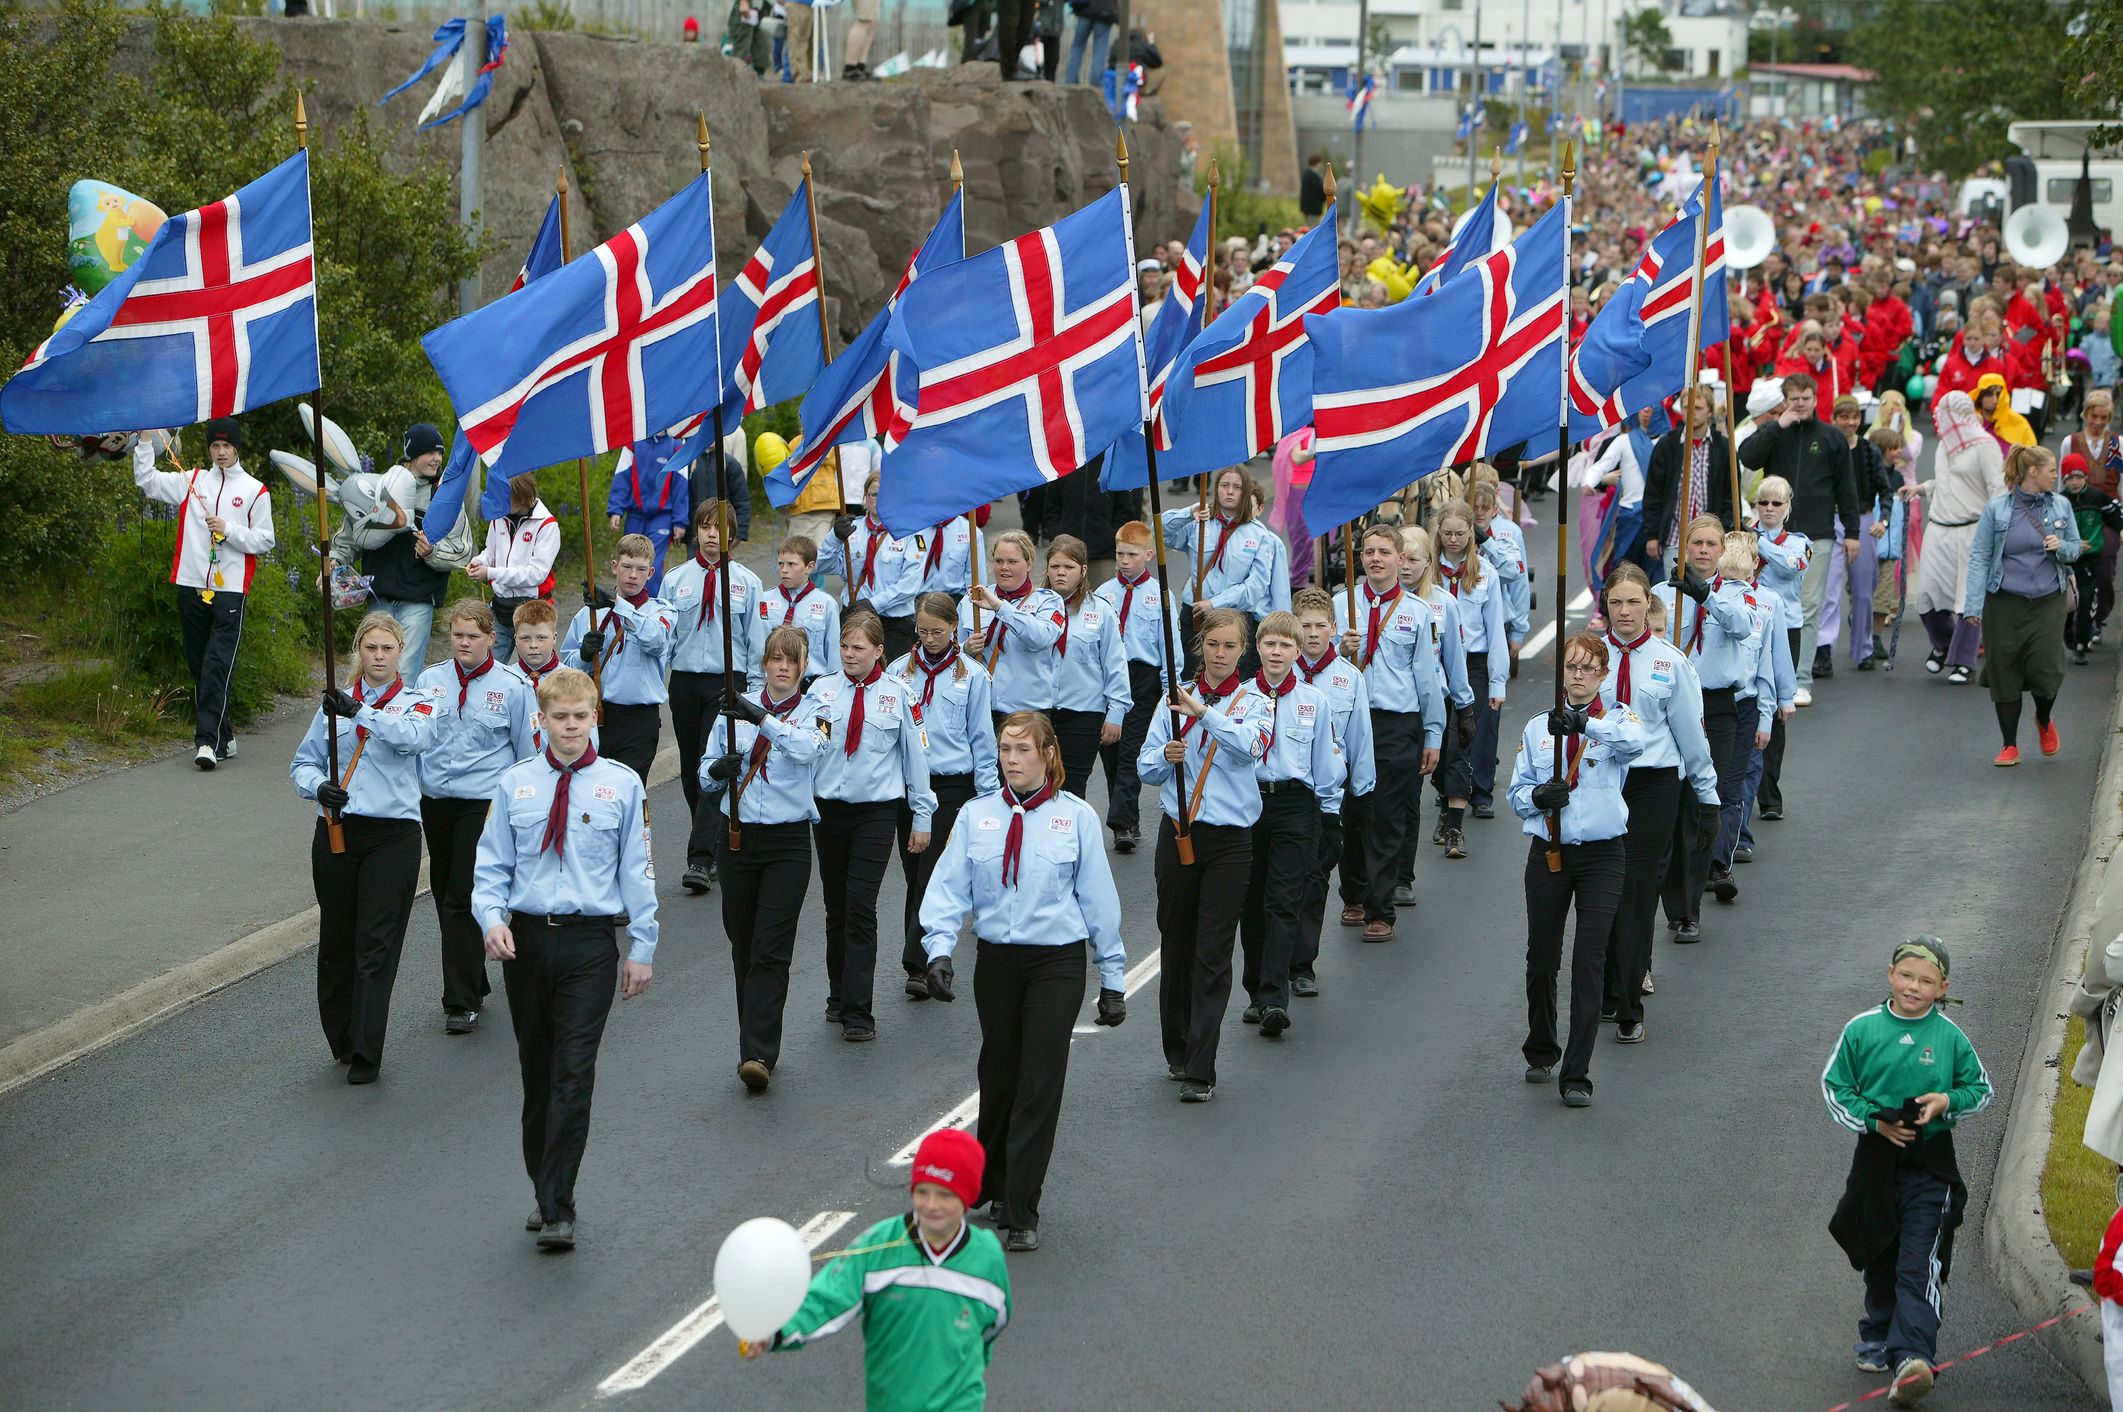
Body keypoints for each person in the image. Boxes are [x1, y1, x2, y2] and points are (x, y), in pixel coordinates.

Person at [916, 712, 1127, 1249]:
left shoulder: (1075, 817)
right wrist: (938, 950)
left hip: (1056, 963)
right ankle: (992, 1179)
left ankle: (1022, 1208)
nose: (1011, 759)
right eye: (1005, 749)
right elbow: (948, 887)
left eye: (1022, 750)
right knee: (1001, 1072)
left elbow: (1099, 901)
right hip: (999, 962)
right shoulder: (976, 815)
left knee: (1039, 1077)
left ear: (1048, 755)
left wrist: (1112, 976)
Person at [472, 666, 657, 1250]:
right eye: (560, 717)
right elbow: (491, 865)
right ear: (542, 720)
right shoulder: (515, 784)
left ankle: (559, 1204)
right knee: (538, 1072)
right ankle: (543, 1186)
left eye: (581, 717)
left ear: (594, 718)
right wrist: (492, 920)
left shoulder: (622, 785)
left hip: (589, 945)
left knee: (574, 1073)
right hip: (527, 941)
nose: (571, 727)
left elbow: (638, 869)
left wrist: (642, 948)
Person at [1823, 938, 1993, 1406]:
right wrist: (1874, 1121)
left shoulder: (1950, 1037)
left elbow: (1980, 1088)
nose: (1914, 986)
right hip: (1875, 1162)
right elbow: (1835, 1086)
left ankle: (1913, 1356)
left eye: (1926, 981)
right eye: (1906, 976)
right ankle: (1878, 1331)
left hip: (1930, 1165)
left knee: (1919, 1260)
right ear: (1890, 975)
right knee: (1879, 1247)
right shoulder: (1862, 1029)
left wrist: (1946, 1101)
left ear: (1943, 988)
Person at [743, 1127, 1010, 1408]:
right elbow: (828, 1297)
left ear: (967, 1198)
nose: (931, 1205)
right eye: (923, 1192)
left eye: (945, 1195)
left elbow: (993, 1324)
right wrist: (775, 1330)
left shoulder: (987, 1258)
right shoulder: (878, 1247)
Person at [290, 612, 438, 1084]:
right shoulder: (332, 706)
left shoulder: (417, 702)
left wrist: (360, 713)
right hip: (337, 830)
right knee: (337, 940)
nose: (378, 656)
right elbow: (302, 763)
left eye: (387, 648)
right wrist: (319, 788)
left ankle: (368, 1051)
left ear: (401, 653)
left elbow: (414, 739)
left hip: (392, 836)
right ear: (359, 650)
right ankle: (343, 1038)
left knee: (375, 943)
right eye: (370, 648)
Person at [1137, 608, 1271, 1102]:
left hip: (1231, 840)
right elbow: (1146, 767)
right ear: (1201, 647)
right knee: (1176, 942)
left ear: (1243, 650)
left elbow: (1248, 749)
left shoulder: (1254, 699)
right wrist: (1163, 757)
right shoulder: (1170, 701)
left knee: (1213, 950)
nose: (1219, 654)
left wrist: (1203, 713)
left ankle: (1201, 1067)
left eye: (1229, 646)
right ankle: (1177, 1049)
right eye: (1212, 644)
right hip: (1178, 831)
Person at [1510, 631, 1645, 1108]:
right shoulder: (1536, 727)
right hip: (1550, 852)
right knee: (1542, 957)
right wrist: (1536, 798)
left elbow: (1635, 745)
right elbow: (1517, 792)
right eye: (1572, 667)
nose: (1580, 676)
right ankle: (1542, 1046)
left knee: (1589, 963)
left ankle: (1577, 1074)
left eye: (1589, 668)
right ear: (1561, 673)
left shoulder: (1618, 718)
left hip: (1604, 855)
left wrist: (1583, 726)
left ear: (1603, 675)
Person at [1595, 565, 1718, 1045]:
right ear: (1605, 607)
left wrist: (1707, 798)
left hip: (1653, 784)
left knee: (1637, 889)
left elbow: (1692, 737)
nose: (1624, 612)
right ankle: (1604, 987)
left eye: (1633, 602)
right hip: (1602, 782)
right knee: (1603, 887)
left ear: (1650, 604)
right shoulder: (1589, 659)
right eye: (1615, 603)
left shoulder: (1672, 663)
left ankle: (1629, 1002)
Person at [808, 610, 937, 1042]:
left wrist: (922, 815)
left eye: (859, 648)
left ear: (880, 651)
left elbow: (917, 760)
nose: (849, 654)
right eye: (845, 647)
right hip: (828, 811)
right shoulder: (822, 691)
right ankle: (837, 992)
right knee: (836, 906)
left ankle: (858, 1011)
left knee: (861, 906)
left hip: (876, 813)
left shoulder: (899, 694)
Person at [701, 626, 821, 1091]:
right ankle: (751, 1037)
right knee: (744, 945)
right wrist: (716, 770)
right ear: (765, 663)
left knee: (771, 951)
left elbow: (809, 747)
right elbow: (706, 773)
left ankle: (757, 1053)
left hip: (788, 844)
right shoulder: (732, 712)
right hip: (737, 839)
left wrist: (761, 717)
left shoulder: (816, 710)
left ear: (804, 666)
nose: (784, 667)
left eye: (793, 660)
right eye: (776, 659)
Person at [415, 600, 539, 1037]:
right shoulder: (429, 681)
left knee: (461, 894)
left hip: (483, 802)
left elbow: (528, 754)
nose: (463, 643)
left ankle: (460, 999)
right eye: (457, 634)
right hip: (436, 800)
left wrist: (523, 812)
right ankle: (475, 976)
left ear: (491, 638)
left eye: (473, 636)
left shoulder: (513, 686)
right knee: (444, 891)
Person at [130, 420, 274, 769]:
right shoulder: (193, 481)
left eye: (227, 446)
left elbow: (265, 540)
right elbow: (147, 482)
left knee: (216, 665)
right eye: (215, 446)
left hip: (229, 592)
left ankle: (206, 743)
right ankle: (224, 737)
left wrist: (229, 531)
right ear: (208, 449)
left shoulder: (255, 491)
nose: (221, 452)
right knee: (199, 664)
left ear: (237, 448)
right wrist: (145, 441)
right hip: (191, 585)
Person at [1650, 516, 1758, 938]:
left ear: (1721, 550)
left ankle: (1689, 910)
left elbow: (1743, 627)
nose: (1703, 550)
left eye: (1712, 543)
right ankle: (1665, 895)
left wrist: (1706, 596)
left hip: (1715, 708)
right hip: (1667, 706)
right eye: (1696, 542)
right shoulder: (1661, 593)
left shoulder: (1739, 595)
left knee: (1699, 807)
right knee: (1667, 809)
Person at [1334, 525, 1444, 938]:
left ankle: (1381, 910)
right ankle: (1354, 896)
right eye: (1368, 551)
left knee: (1386, 816)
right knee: (1352, 813)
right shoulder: (1342, 604)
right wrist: (1338, 649)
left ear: (1401, 559)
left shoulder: (1417, 613)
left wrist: (1433, 734)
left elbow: (1427, 680)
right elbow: (1316, 664)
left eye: (1384, 551)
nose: (1375, 558)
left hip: (1395, 723)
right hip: (1348, 722)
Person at [1236, 610, 1342, 1038]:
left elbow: (1325, 765)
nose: (1277, 652)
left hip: (1295, 805)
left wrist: (1330, 816)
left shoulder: (1315, 702)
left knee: (1283, 899)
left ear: (1298, 652)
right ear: (1258, 648)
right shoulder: (1241, 697)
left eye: (1285, 645)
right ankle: (1254, 990)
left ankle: (1273, 998)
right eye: (1269, 644)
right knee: (1251, 902)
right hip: (1249, 803)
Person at [890, 594, 999, 1001]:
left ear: (954, 628)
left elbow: (982, 741)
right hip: (907, 784)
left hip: (952, 785)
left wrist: (989, 798)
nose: (930, 639)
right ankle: (926, 950)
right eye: (922, 631)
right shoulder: (899, 672)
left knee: (932, 870)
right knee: (914, 869)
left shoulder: (972, 676)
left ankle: (918, 962)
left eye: (937, 631)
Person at [1738, 372, 1863, 701]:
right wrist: (1777, 425)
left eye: (1806, 398)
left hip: (1817, 533)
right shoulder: (1776, 433)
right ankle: (1764, 673)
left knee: (1807, 606)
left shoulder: (1832, 437)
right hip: (1772, 533)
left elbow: (1846, 487)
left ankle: (1800, 679)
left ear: (1815, 398)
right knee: (1768, 604)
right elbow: (1747, 456)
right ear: (1785, 401)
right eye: (1794, 399)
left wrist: (1852, 532)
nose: (1801, 404)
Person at [664, 499, 766, 895]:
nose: (711, 534)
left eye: (719, 528)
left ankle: (700, 859)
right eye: (705, 526)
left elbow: (755, 639)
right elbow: (666, 637)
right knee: (693, 768)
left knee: (716, 762)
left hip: (728, 682)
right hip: (686, 682)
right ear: (696, 531)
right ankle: (711, 834)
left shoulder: (746, 581)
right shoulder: (676, 580)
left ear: (732, 534)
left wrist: (753, 692)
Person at [1963, 445, 2083, 766]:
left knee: (2047, 667)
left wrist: (2062, 547)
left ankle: (2043, 719)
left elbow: (2076, 547)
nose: (2056, 475)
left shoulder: (2061, 506)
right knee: (2005, 669)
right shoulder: (1997, 509)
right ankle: (2009, 745)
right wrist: (1973, 605)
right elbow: (1980, 557)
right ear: (2033, 472)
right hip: (2004, 602)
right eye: (2051, 470)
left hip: (2047, 600)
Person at [1291, 588, 1374, 996]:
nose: (1311, 634)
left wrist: (1361, 790)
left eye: (1320, 626)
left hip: (1328, 796)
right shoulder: (1277, 675)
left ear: (1334, 629)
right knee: (1278, 884)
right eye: (1304, 626)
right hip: (1283, 793)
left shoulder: (1348, 678)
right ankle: (1275, 962)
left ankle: (1302, 963)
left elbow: (1360, 736)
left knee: (1315, 880)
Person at [1905, 391, 2006, 687]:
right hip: (1939, 527)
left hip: (1971, 530)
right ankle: (1945, 643)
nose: (1938, 421)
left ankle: (1964, 661)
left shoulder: (1985, 446)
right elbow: (1948, 482)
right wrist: (1922, 488)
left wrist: (1997, 532)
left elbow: (1996, 490)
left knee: (1967, 598)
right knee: (1927, 594)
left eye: (1943, 415)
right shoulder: (1944, 446)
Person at [561, 535, 674, 784]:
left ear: (651, 572)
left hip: (639, 721)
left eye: (641, 569)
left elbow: (656, 640)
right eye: (626, 567)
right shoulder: (588, 614)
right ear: (615, 567)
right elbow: (565, 669)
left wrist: (616, 604)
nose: (633, 575)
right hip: (596, 716)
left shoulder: (661, 611)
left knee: (628, 796)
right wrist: (583, 656)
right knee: (591, 795)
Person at [350, 423, 459, 670]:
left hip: (419, 600)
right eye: (430, 452)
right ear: (412, 454)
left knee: (405, 673)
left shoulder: (443, 496)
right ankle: (371, 711)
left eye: (440, 453)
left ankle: (400, 710)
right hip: (380, 597)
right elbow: (352, 530)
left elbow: (462, 551)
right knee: (371, 670)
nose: (437, 459)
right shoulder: (381, 486)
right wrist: (337, 558)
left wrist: (433, 552)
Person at [1401, 525, 1474, 874]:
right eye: (1400, 558)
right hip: (1404, 706)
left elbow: (1454, 658)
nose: (1405, 567)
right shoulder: (1381, 604)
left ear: (1428, 563)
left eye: (1413, 559)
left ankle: (1455, 827)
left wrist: (1465, 705)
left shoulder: (1445, 604)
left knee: (1454, 762)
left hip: (1441, 700)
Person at [1435, 500, 1510, 827]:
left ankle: (1480, 792)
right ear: (1438, 532)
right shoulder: (1429, 572)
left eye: (1461, 533)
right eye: (1448, 533)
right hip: (1438, 661)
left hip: (1473, 660)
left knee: (1477, 730)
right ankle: (1447, 788)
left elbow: (1495, 630)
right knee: (1441, 728)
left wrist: (1498, 681)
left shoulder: (1485, 574)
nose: (1454, 539)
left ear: (1471, 534)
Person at [1160, 467, 1278, 673]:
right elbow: (1160, 534)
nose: (1230, 491)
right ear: (1216, 489)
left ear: (1245, 492)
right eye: (1224, 486)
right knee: (1191, 678)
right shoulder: (1199, 523)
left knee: (1231, 684)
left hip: (1234, 619)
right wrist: (1188, 513)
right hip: (1195, 615)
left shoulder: (1260, 535)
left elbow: (1255, 587)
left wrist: (1215, 604)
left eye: (1237, 487)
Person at [1042, 535, 1129, 799]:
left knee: (1071, 788)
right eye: (1055, 566)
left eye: (1068, 567)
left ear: (1083, 570)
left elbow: (1115, 664)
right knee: (1035, 785)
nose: (1060, 573)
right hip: (1039, 708)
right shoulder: (1032, 608)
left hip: (1083, 712)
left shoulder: (1101, 611)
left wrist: (1116, 712)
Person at [961, 531, 1066, 719]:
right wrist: (965, 648)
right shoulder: (973, 599)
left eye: (1012, 561)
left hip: (1027, 711)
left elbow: (1040, 638)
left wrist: (1000, 607)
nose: (1004, 568)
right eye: (998, 561)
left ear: (1029, 564)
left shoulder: (1048, 601)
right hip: (981, 708)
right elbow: (953, 651)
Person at [823, 472, 921, 662]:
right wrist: (834, 538)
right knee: (851, 671)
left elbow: (910, 585)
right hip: (854, 617)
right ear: (865, 497)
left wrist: (873, 604)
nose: (878, 499)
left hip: (893, 623)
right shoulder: (851, 529)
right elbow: (823, 566)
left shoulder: (909, 532)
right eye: (873, 494)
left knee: (890, 675)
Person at [468, 475, 559, 665]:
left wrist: (490, 573)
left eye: (506, 498)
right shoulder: (498, 518)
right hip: (501, 607)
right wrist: (479, 561)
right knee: (489, 666)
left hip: (534, 609)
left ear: (522, 494)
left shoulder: (547, 525)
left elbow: (536, 574)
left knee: (534, 668)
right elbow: (491, 552)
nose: (500, 502)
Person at [606, 438, 690, 597]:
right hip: (635, 514)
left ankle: (649, 608)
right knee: (629, 561)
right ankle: (626, 604)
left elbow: (681, 485)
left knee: (652, 564)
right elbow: (622, 476)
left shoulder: (676, 445)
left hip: (662, 516)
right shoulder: (633, 444)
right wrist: (616, 509)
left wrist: (679, 520)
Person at [2062, 454, 2123, 664]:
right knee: (2069, 604)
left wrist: (2120, 529)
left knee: (2087, 601)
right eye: (2069, 478)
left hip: (2090, 559)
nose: (2075, 482)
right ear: (2063, 480)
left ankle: (2081, 642)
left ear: (2086, 477)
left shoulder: (2097, 498)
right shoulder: (2061, 501)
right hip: (2068, 563)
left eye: (2079, 477)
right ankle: (2068, 631)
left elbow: (2115, 514)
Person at [766, 535, 840, 684]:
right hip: (773, 681)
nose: (784, 570)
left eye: (791, 564)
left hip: (811, 682)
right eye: (781, 564)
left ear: (810, 567)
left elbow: (833, 653)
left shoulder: (826, 604)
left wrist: (833, 687)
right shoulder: (764, 600)